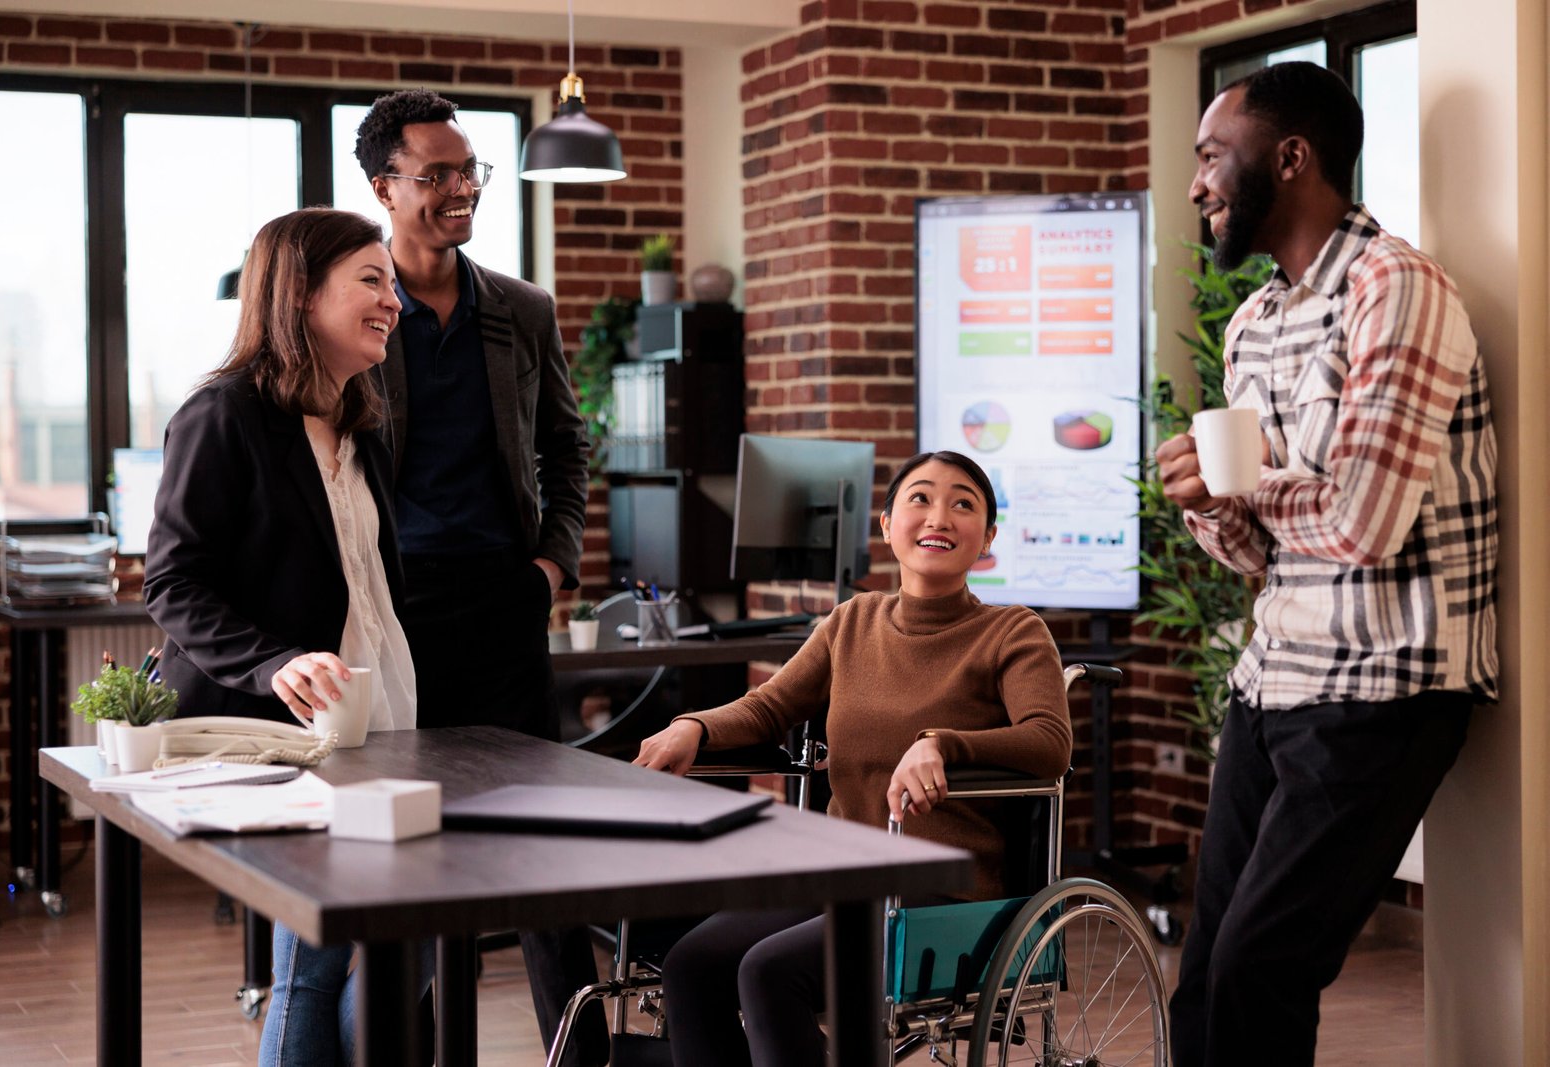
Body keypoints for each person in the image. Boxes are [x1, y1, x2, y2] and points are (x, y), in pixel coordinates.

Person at [1159, 62, 1498, 1067]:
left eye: (1211, 156)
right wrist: (1209, 502)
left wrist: (1250, 482)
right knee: (1205, 975)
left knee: (1259, 968)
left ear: (1291, 158)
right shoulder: (1253, 323)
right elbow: (1260, 555)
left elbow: (1363, 523)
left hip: (1383, 686)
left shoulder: (1396, 288)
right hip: (1271, 680)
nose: (1196, 184)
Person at [633, 450, 1072, 1067]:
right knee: (692, 965)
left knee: (769, 971)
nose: (939, 516)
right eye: (920, 498)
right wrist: (694, 726)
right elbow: (768, 707)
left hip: (943, 893)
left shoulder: (1013, 631)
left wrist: (942, 742)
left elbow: (1049, 740)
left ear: (989, 538)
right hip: (842, 876)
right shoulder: (852, 621)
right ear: (887, 525)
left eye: (963, 504)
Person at [352, 89, 604, 1064]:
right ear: (384, 187)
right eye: (437, 175)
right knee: (407, 855)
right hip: (394, 609)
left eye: (469, 171)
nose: (461, 190)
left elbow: (566, 446)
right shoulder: (358, 306)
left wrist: (553, 563)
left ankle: (580, 1054)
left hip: (505, 600)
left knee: (540, 849)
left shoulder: (520, 309)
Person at [144, 207, 421, 1067]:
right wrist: (275, 662)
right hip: (288, 737)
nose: (394, 301)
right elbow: (171, 583)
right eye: (371, 280)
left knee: (405, 953)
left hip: (383, 723)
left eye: (393, 283)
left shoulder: (363, 424)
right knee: (313, 969)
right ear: (300, 294)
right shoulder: (222, 415)